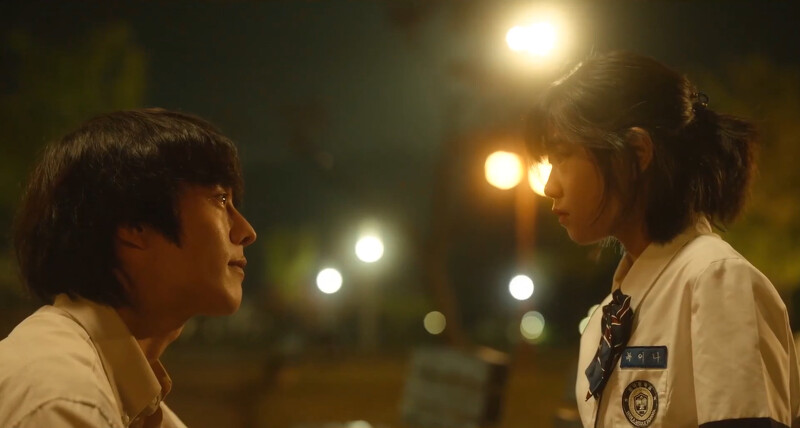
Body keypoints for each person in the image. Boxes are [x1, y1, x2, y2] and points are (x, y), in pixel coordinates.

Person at [526, 51, 800, 427]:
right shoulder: (607, 318)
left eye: (562, 155)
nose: (549, 186)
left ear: (637, 153)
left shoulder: (716, 281)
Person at [0, 108, 257, 427]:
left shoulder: (136, 408)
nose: (246, 231)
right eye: (220, 199)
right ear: (135, 225)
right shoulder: (62, 401)